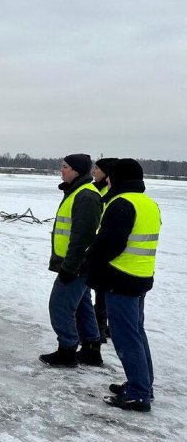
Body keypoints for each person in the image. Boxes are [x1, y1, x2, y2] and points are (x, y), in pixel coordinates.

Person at [87, 158, 160, 412]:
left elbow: (108, 245)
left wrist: (91, 263)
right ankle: (142, 384)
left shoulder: (121, 204)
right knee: (137, 332)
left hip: (121, 278)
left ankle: (139, 393)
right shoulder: (148, 203)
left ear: (117, 178)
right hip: (140, 277)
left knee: (126, 336)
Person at [40, 154, 102, 367]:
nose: (61, 170)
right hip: (75, 263)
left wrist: (69, 267)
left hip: (76, 265)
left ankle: (67, 350)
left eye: (65, 167)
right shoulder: (76, 192)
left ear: (77, 170)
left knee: (59, 305)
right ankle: (91, 349)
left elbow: (82, 237)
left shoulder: (85, 196)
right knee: (83, 304)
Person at [92, 157, 118, 342]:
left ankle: (100, 329)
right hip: (99, 244)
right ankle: (101, 327)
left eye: (97, 168)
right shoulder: (98, 190)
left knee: (102, 293)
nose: (94, 171)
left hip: (104, 247)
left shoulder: (108, 193)